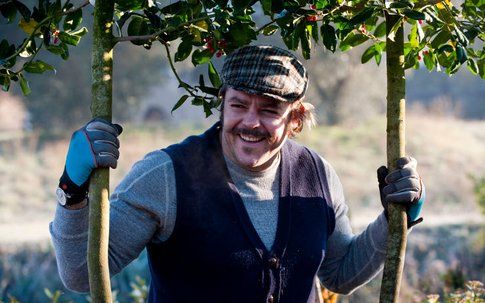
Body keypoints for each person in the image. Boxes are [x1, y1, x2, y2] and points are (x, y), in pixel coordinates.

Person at [50, 45, 425, 303]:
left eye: (269, 110)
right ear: (222, 105)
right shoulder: (166, 176)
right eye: (239, 105)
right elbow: (82, 274)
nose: (250, 122)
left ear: (295, 118)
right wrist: (73, 186)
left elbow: (340, 275)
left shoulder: (317, 175)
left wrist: (396, 220)